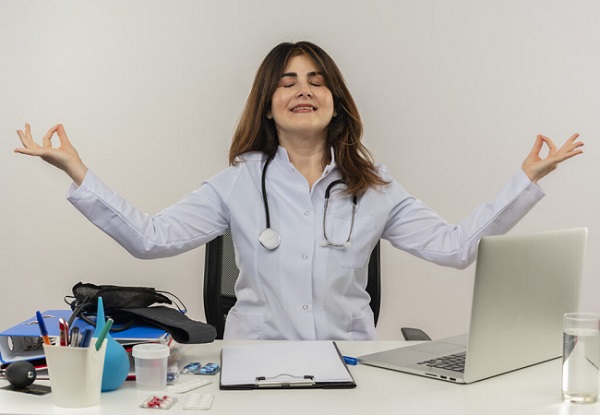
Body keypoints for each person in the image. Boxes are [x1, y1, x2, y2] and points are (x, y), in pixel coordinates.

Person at [15, 41, 583, 341]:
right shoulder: (237, 182)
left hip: (353, 368)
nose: (303, 91)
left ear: (336, 98)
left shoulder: (375, 188)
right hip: (252, 367)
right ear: (268, 103)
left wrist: (525, 180)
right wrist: (77, 172)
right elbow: (150, 239)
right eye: (287, 82)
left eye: (316, 81)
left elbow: (456, 248)